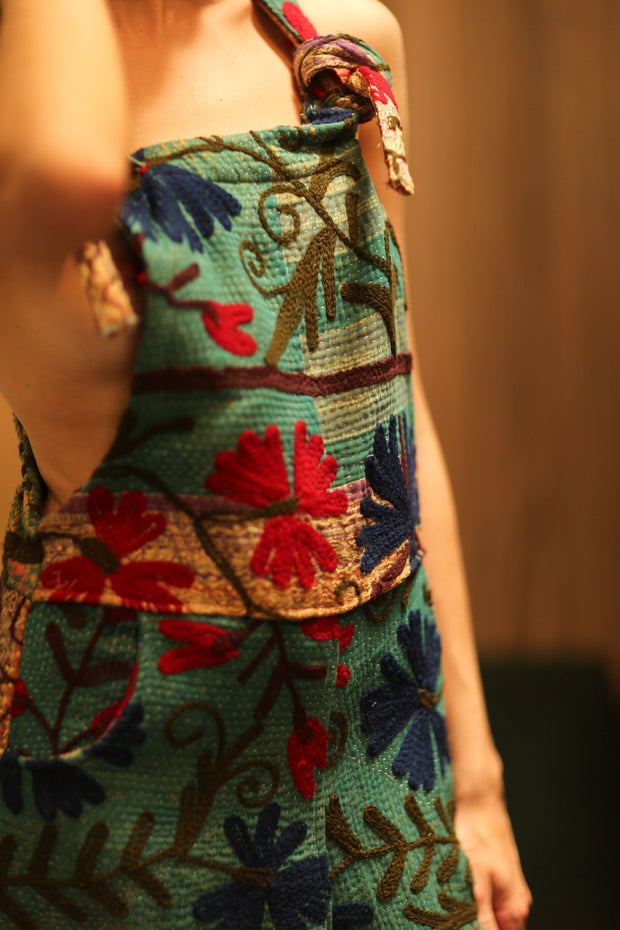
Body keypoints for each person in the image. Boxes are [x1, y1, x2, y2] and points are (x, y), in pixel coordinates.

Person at [0, 0, 531, 928]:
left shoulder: (342, 47)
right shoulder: (34, 102)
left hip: (390, 768)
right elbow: (66, 176)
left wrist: (476, 782)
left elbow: (398, 408)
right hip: (129, 809)